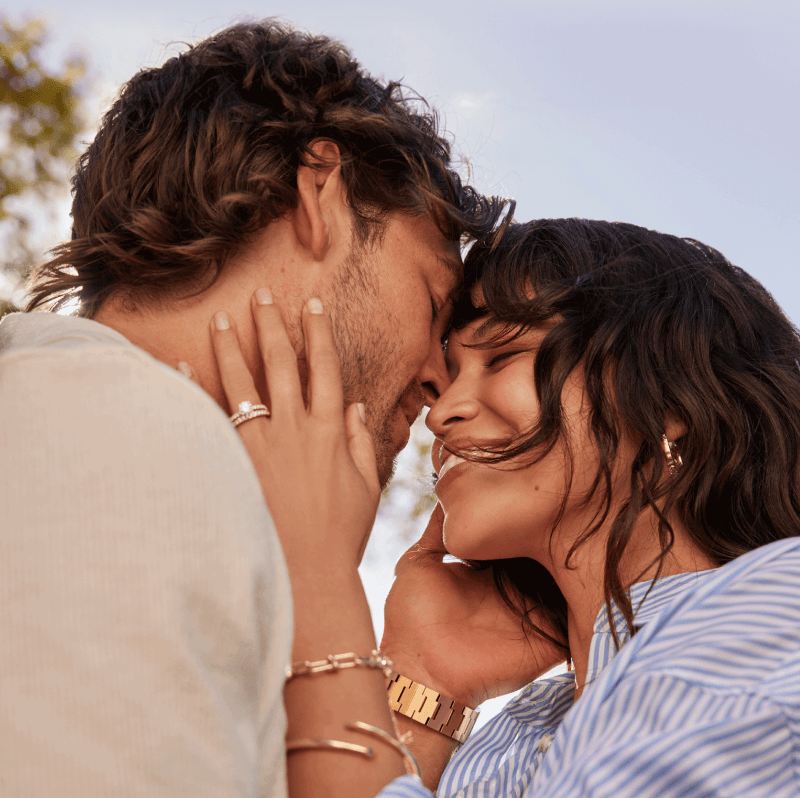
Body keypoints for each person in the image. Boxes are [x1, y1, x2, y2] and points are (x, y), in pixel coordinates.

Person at [0, 19, 504, 797]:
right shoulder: (135, 443)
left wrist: (420, 678)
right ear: (320, 192)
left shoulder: (70, 415)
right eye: (435, 299)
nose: (441, 381)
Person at [207, 218, 800, 797]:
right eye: (445, 380)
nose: (439, 416)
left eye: (501, 356)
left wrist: (316, 576)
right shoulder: (519, 734)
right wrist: (424, 678)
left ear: (671, 397)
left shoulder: (777, 606)